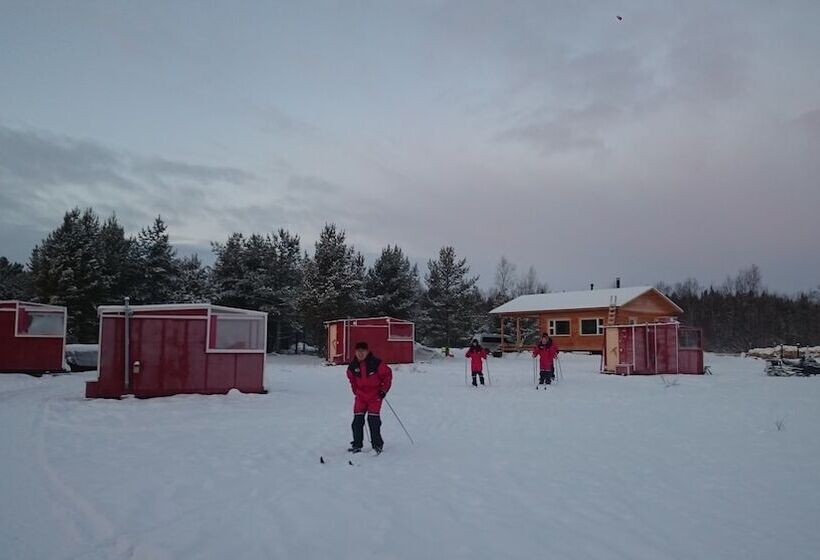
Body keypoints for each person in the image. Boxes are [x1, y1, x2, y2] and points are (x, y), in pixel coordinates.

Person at [346, 341, 393, 453]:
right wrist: (355, 391)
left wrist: (383, 390)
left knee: (373, 421)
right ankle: (357, 445)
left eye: (363, 351)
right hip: (361, 397)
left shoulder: (376, 363)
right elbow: (352, 380)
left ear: (367, 351)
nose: (360, 353)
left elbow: (387, 375)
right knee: (357, 422)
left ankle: (377, 445)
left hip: (375, 396)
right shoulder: (352, 367)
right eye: (358, 351)